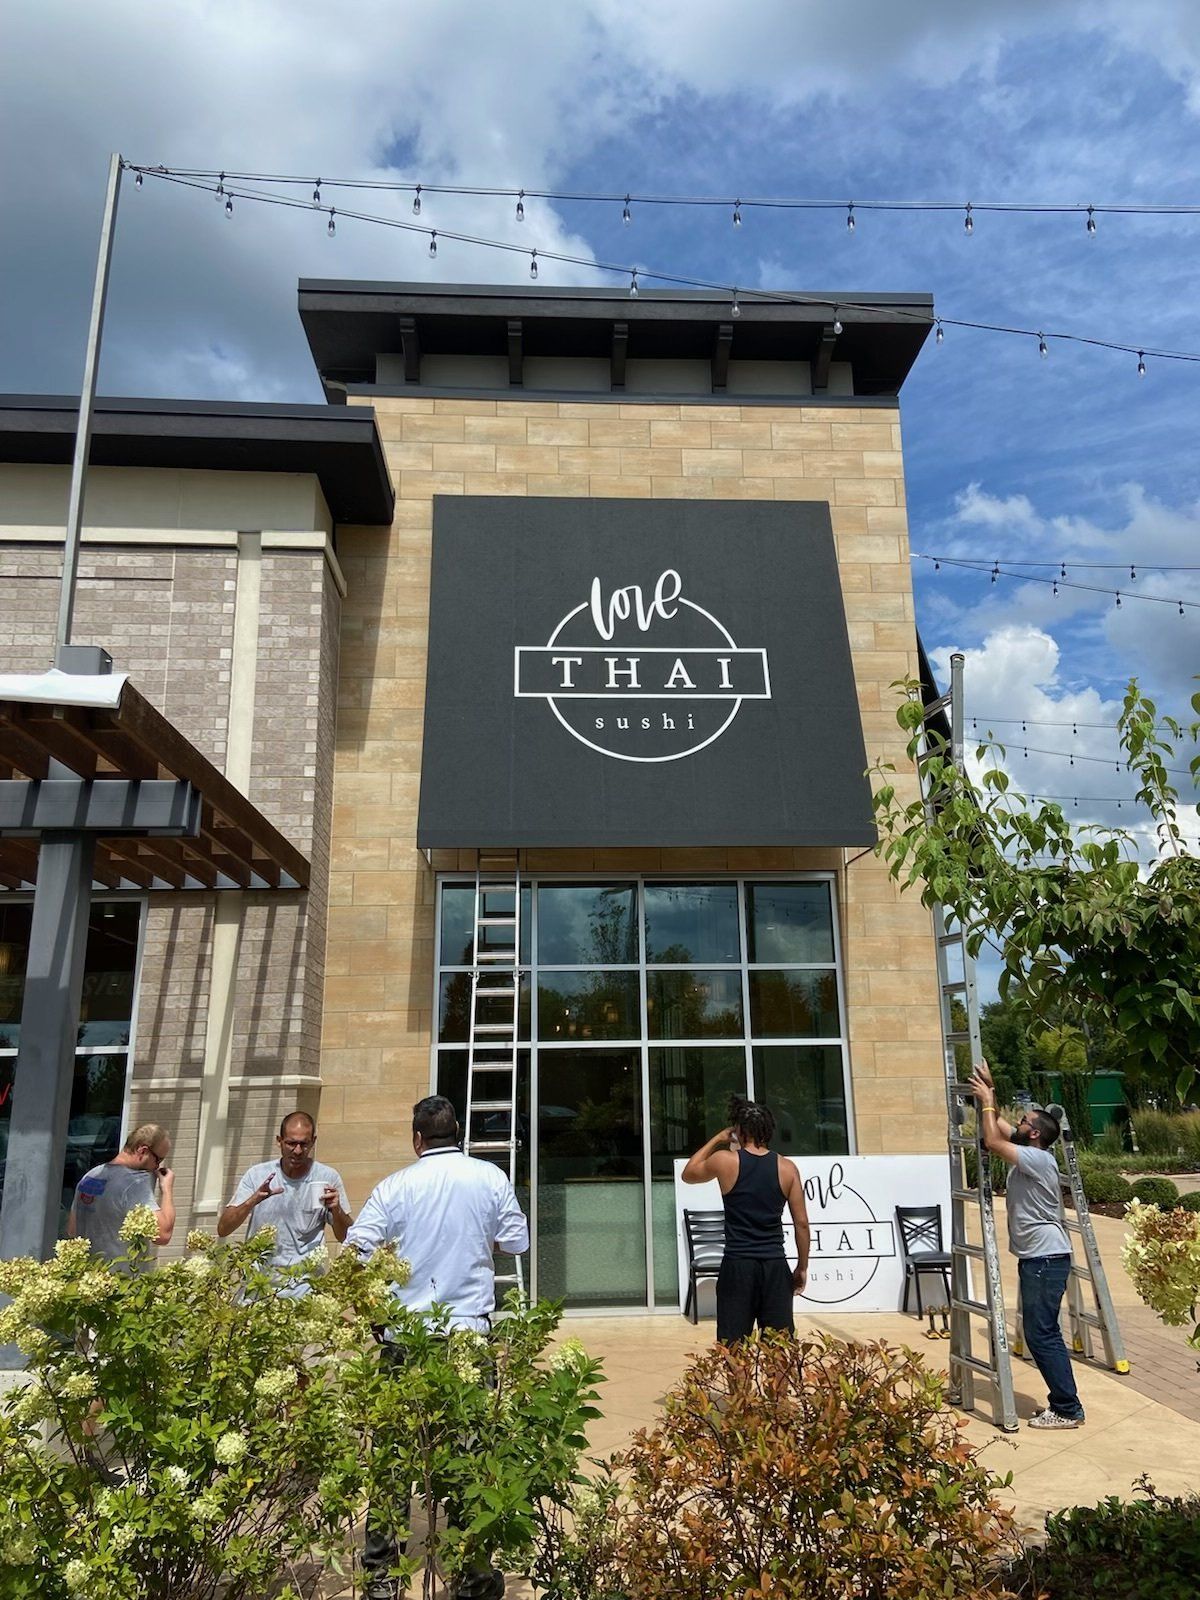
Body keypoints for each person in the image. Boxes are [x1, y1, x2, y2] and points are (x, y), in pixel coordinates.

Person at [346, 1094, 529, 1600]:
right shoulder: (489, 1177)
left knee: (393, 1461)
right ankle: (473, 1578)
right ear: (460, 1135)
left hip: (406, 1339)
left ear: (417, 1139)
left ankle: (381, 1579)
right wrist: (476, 1239)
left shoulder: (395, 1186)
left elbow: (354, 1252)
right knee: (473, 1460)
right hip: (468, 1338)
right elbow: (517, 1242)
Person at [970, 1059, 1085, 1429]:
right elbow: (999, 1127)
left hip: (1046, 1258)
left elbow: (991, 1139)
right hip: (1041, 1258)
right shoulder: (1031, 1150)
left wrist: (987, 1099)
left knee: (1042, 1333)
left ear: (1034, 1134)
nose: (1017, 1124)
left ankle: (1067, 1408)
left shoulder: (1036, 1159)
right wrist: (991, 1091)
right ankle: (1064, 1404)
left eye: (1023, 1122)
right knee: (1041, 1330)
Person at [681, 1094, 810, 1343]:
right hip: (774, 1265)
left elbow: (689, 1173)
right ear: (768, 1130)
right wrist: (802, 1267)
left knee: (733, 1349)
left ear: (739, 1130)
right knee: (778, 1351)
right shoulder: (787, 1168)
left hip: (738, 1265)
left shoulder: (725, 1161)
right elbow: (801, 1224)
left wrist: (718, 1138)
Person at [217, 1111, 352, 1278]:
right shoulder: (258, 1175)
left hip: (305, 1286)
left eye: (304, 1144)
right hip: (259, 1285)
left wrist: (336, 1209)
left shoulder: (327, 1177)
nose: (297, 1150)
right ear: (279, 1141)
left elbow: (346, 1236)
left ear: (313, 1142)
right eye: (291, 1143)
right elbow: (223, 1229)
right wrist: (252, 1201)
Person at [67, 1121, 175, 1264]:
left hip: (88, 1277)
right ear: (142, 1151)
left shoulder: (90, 1177)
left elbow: (72, 1229)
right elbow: (163, 1234)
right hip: (121, 1281)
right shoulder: (134, 1184)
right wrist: (166, 1189)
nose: (157, 1166)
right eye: (158, 1160)